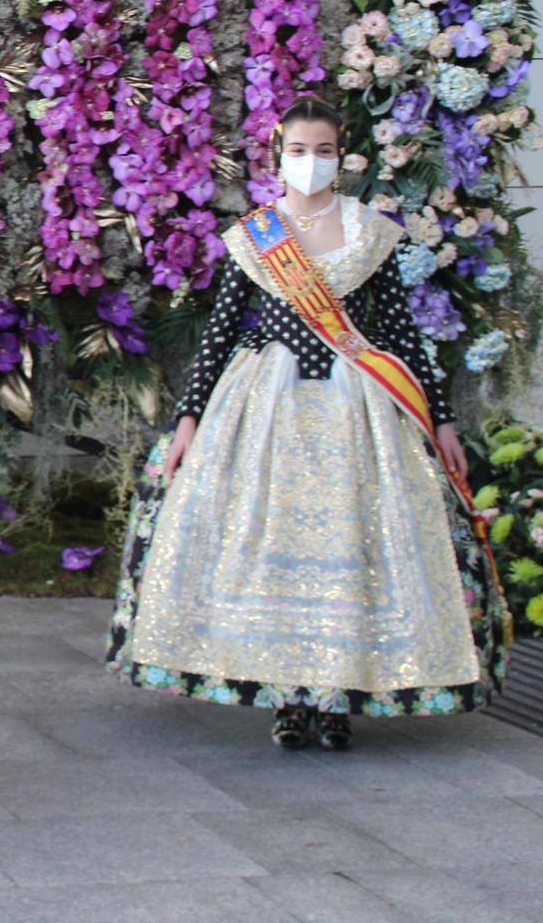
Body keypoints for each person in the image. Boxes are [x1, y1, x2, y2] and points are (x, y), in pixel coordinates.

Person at [109, 96, 508, 749]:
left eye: (323, 150)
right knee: (265, 551)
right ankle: (287, 698)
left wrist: (440, 419)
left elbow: (402, 334)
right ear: (277, 154)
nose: (311, 161)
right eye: (299, 150)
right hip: (266, 408)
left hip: (360, 411)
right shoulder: (259, 234)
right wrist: (188, 418)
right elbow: (216, 335)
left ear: (342, 155)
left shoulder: (369, 233)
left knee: (351, 551)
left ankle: (335, 696)